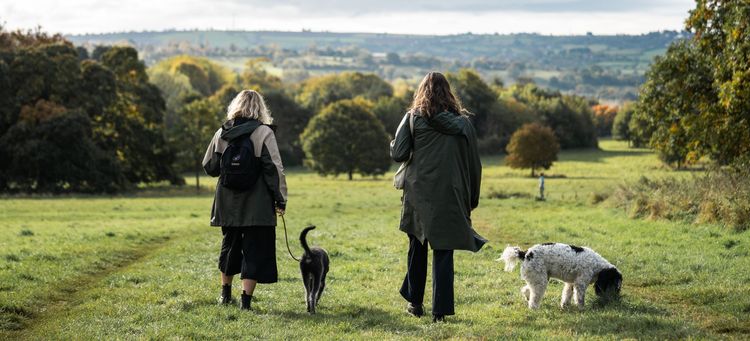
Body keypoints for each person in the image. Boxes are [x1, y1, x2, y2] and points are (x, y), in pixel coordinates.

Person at [390, 72, 486, 322]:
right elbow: (475, 165)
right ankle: (440, 312)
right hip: (451, 194)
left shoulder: (412, 117)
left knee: (417, 248)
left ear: (422, 91)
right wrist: (471, 198)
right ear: (449, 93)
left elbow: (399, 154)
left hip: (418, 194)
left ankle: (415, 303)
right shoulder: (464, 124)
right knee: (444, 252)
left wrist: (395, 142)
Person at [202, 90, 287, 310]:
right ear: (261, 108)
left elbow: (209, 166)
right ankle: (245, 302)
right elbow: (274, 170)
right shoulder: (264, 133)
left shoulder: (222, 132)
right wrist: (281, 199)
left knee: (229, 247)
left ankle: (224, 295)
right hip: (257, 205)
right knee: (254, 250)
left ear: (235, 106)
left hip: (227, 203)